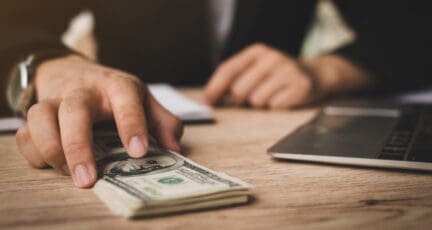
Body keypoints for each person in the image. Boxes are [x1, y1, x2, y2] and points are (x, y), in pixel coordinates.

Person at [1, 0, 430, 188]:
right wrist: (46, 64)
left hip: (268, 127)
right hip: (119, 126)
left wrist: (330, 69)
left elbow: (413, 22)